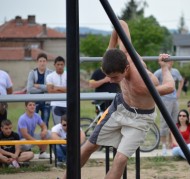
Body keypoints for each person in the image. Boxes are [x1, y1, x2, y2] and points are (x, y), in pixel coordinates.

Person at [63, 20, 175, 179]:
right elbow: (120, 23)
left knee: (120, 159)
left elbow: (169, 87)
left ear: (126, 68)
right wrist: (110, 49)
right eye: (108, 76)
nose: (110, 80)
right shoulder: (116, 56)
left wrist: (164, 68)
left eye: (115, 77)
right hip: (120, 107)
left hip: (140, 118)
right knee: (88, 146)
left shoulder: (141, 82)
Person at [154, 60, 183, 156]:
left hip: (174, 99)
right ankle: (163, 146)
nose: (169, 63)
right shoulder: (159, 72)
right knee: (164, 122)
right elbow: (151, 82)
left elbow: (181, 80)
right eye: (167, 62)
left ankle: (172, 143)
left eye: (171, 61)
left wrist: (179, 92)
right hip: (164, 100)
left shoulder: (175, 71)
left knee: (174, 122)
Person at [27, 53, 53, 128]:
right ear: (37, 62)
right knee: (31, 123)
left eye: (44, 61)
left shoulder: (50, 73)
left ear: (46, 62)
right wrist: (45, 89)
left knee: (45, 123)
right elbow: (30, 89)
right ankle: (30, 138)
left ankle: (44, 138)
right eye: (40, 61)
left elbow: (50, 88)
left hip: (46, 101)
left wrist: (38, 86)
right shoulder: (32, 73)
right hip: (34, 102)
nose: (42, 63)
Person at [46, 56, 67, 125]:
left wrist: (57, 87)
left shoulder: (69, 75)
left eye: (61, 64)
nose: (60, 66)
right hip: (55, 104)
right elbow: (50, 91)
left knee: (70, 128)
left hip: (67, 104)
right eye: (58, 64)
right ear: (54, 65)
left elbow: (71, 90)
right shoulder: (50, 76)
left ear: (64, 65)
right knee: (58, 127)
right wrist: (64, 89)